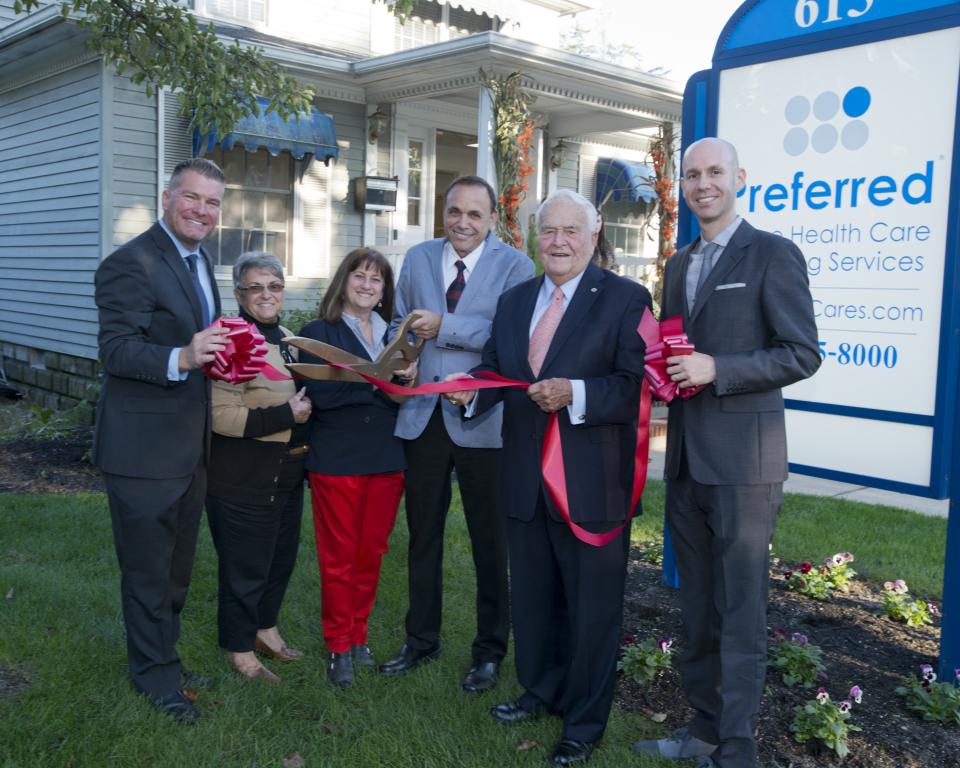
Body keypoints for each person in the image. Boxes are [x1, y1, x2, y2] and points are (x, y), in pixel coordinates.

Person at [447, 189, 651, 765]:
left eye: (570, 230)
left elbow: (637, 385)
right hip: (524, 480)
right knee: (535, 601)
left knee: (591, 611)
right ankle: (540, 690)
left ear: (594, 234)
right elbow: (496, 370)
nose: (558, 242)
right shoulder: (515, 301)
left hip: (592, 488)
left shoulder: (627, 298)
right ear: (535, 237)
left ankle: (583, 723)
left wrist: (575, 393)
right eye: (548, 231)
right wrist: (468, 393)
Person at [633, 137, 820, 768]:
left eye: (715, 172)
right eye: (692, 175)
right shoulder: (679, 263)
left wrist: (720, 368)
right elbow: (675, 349)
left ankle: (737, 750)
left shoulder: (772, 253)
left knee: (740, 613)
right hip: (686, 460)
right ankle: (704, 732)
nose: (702, 184)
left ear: (740, 178)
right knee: (697, 610)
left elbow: (801, 353)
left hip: (745, 464)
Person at [380, 176, 535, 693]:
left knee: (490, 543)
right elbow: (399, 323)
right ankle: (420, 640)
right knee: (422, 537)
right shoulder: (419, 258)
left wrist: (443, 326)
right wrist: (401, 358)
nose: (462, 222)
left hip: (483, 423)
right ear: (443, 212)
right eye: (454, 212)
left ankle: (489, 652)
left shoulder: (516, 267)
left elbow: (512, 337)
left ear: (492, 218)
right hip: (422, 418)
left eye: (474, 214)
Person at [93, 157, 228, 723]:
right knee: (148, 573)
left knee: (175, 570)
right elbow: (116, 350)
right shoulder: (131, 263)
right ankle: (153, 676)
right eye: (191, 197)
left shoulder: (198, 261)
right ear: (167, 197)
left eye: (213, 202)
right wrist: (184, 357)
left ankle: (163, 659)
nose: (201, 210)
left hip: (189, 447)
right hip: (142, 451)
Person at [299, 248, 411, 689]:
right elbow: (322, 396)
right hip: (337, 461)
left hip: (386, 459)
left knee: (371, 554)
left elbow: (401, 399)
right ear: (343, 281)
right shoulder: (317, 332)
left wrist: (403, 381)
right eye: (359, 276)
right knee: (339, 557)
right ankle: (338, 644)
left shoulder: (393, 337)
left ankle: (359, 636)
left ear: (384, 291)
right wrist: (380, 382)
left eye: (376, 279)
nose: (367, 285)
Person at [205, 252, 312, 685]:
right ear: (239, 294)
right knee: (245, 568)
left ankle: (265, 629)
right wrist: (286, 415)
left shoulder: (287, 338)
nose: (266, 294)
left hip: (287, 474)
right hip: (244, 477)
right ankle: (240, 650)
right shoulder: (232, 339)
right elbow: (219, 416)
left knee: (279, 560)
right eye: (255, 287)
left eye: (274, 285)